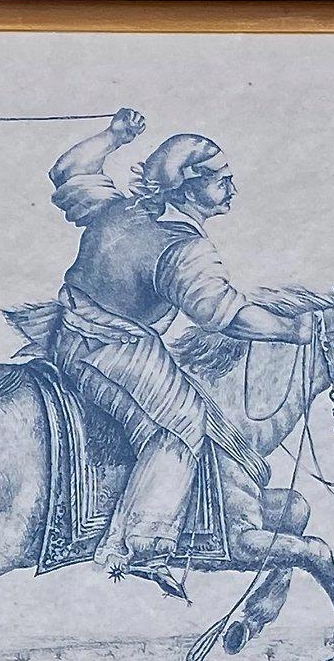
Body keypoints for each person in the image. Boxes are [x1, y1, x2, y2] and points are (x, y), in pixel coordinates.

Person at [45, 108, 315, 593]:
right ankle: (143, 543)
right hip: (114, 351)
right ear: (188, 188)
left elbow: (70, 172)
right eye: (221, 182)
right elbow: (225, 315)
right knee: (183, 419)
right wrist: (291, 330)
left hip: (62, 335)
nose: (232, 191)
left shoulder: (119, 209)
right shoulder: (184, 249)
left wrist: (113, 135)